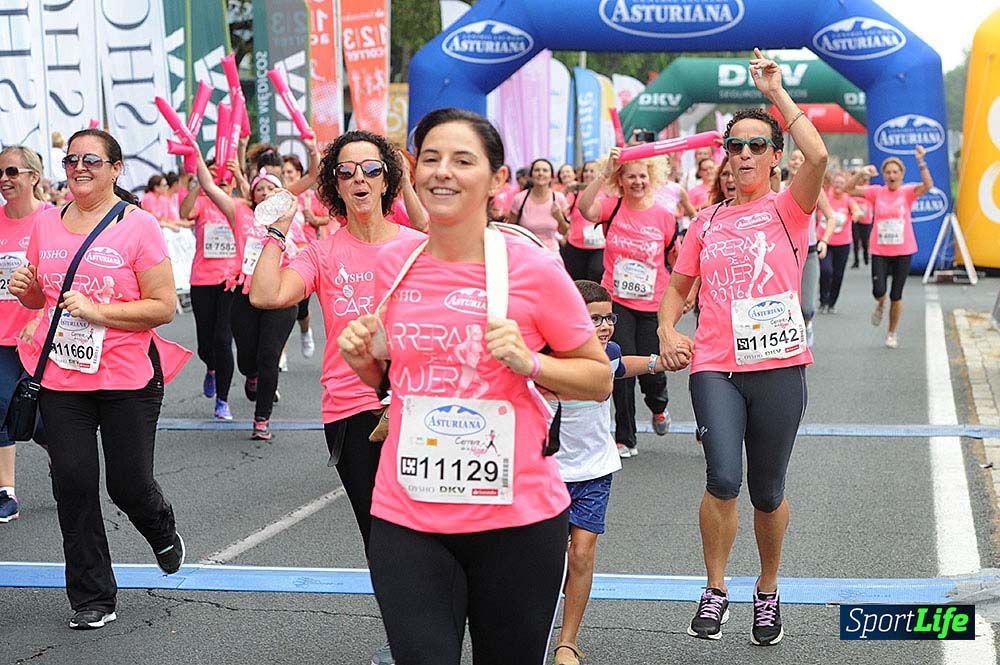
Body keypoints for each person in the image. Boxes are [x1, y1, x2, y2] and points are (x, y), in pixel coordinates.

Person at [337, 107, 611, 664]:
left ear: (495, 179)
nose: (443, 172)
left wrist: (531, 362)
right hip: (407, 513)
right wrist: (365, 360)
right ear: (413, 173)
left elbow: (599, 378)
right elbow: (392, 381)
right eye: (431, 158)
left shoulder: (531, 269)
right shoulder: (394, 261)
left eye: (463, 160)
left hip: (516, 521)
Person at [657, 49, 828, 645]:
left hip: (779, 366)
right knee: (724, 476)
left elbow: (822, 153)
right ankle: (716, 587)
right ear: (724, 158)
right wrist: (666, 328)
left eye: (758, 145)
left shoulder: (790, 210)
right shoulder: (704, 223)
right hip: (716, 368)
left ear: (777, 158)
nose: (746, 155)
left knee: (769, 489)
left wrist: (776, 91)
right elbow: (677, 288)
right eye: (737, 146)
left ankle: (768, 589)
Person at [252, 130, 422, 665]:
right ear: (334, 185)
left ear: (389, 178)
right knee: (380, 535)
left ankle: (432, 623)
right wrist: (278, 233)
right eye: (346, 172)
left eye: (371, 170)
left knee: (427, 527)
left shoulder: (417, 246)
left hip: (417, 405)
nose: (359, 180)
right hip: (351, 409)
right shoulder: (322, 251)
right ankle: (406, 638)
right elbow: (266, 294)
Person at [9, 129, 188, 629]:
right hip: (63, 377)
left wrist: (99, 310)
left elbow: (163, 306)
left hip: (127, 378)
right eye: (71, 160)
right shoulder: (46, 224)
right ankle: (92, 596)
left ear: (115, 168)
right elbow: (41, 298)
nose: (79, 167)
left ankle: (161, 528)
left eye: (92, 159)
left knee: (128, 486)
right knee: (73, 484)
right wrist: (26, 291)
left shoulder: (139, 226)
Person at [552, 279, 669, 665]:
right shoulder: (547, 358)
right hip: (546, 474)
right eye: (594, 319)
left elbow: (622, 366)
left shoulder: (610, 352)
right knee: (546, 560)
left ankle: (567, 642)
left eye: (608, 318)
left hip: (594, 472)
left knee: (581, 555)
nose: (604, 327)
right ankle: (528, 629)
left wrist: (656, 361)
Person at [194, 139, 322, 439]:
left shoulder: (288, 214)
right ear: (252, 193)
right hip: (245, 295)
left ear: (282, 193)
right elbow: (210, 188)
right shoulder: (240, 213)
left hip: (281, 294)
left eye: (271, 188)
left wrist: (313, 151)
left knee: (269, 357)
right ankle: (250, 377)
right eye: (260, 188)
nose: (265, 193)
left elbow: (313, 175)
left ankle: (261, 419)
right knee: (248, 359)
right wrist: (198, 156)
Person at [577, 145, 678, 457]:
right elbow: (584, 209)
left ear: (652, 178)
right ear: (621, 180)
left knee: (650, 368)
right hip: (616, 302)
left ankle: (658, 405)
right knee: (617, 363)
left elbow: (676, 259)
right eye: (630, 176)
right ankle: (625, 436)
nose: (637, 182)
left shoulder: (664, 216)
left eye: (642, 176)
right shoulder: (613, 207)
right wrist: (606, 171)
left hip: (652, 303)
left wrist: (682, 298)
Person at [0, 146, 52, 522]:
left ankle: (61, 461)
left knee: (42, 418)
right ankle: (7, 492)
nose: (5, 179)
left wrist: (41, 316)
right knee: (0, 408)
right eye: (1, 172)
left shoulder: (53, 221)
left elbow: (64, 274)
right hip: (2, 339)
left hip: (45, 338)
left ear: (33, 176)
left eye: (13, 171)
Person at [845, 148, 932, 348]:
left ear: (901, 174)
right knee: (878, 290)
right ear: (884, 175)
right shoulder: (877, 192)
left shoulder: (908, 192)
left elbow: (928, 185)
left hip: (903, 250)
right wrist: (861, 172)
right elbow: (849, 190)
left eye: (895, 172)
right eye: (888, 172)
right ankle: (880, 303)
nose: (892, 175)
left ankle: (891, 333)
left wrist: (921, 161)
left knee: (896, 294)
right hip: (880, 250)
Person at [179, 163, 240, 420]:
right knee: (206, 345)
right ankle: (210, 368)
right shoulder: (202, 203)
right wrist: (200, 183)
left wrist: (238, 174)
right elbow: (184, 213)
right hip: (202, 280)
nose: (220, 186)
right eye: (217, 181)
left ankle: (223, 400)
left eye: (225, 182)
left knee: (223, 341)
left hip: (230, 282)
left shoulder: (240, 206)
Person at [817, 172, 861, 313]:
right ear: (832, 184)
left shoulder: (848, 199)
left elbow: (857, 211)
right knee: (826, 271)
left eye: (842, 183)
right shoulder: (824, 196)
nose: (838, 185)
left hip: (843, 243)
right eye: (836, 182)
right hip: (824, 241)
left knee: (838, 274)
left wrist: (856, 215)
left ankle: (831, 303)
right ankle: (823, 300)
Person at [508, 158, 570, 253]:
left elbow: (564, 231)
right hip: (525, 253)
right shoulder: (520, 199)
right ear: (531, 175)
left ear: (551, 176)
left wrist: (560, 218)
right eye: (537, 170)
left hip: (550, 253)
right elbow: (511, 229)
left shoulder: (558, 198)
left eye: (545, 170)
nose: (540, 173)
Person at [561, 160, 607, 282]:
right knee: (577, 282)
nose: (588, 174)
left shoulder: (607, 194)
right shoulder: (575, 193)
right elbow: (561, 210)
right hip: (576, 245)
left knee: (596, 275)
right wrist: (565, 191)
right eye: (586, 171)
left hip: (600, 246)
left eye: (592, 171)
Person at [850, 169, 873, 268]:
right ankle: (856, 261)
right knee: (855, 241)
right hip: (855, 219)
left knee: (865, 241)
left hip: (866, 219)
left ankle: (866, 258)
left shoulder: (868, 189)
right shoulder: (855, 190)